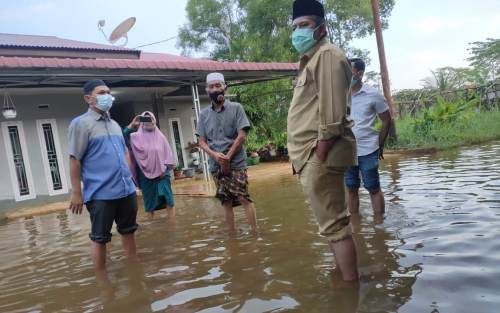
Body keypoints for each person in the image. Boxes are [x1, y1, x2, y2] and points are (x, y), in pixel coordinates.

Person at [287, 0, 358, 281]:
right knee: (330, 225)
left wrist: (320, 151)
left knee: (335, 225)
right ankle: (342, 277)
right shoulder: (311, 60)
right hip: (311, 155)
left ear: (321, 27)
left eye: (304, 25)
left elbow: (332, 114)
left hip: (321, 154)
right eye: (294, 27)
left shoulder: (327, 55)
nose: (298, 32)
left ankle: (349, 289)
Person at [68, 79, 138, 277]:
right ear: (88, 98)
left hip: (125, 190)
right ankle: (102, 280)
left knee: (129, 231)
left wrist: (131, 180)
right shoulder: (81, 124)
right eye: (101, 92)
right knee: (99, 237)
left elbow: (125, 153)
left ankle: (134, 272)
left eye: (108, 91)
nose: (107, 95)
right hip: (100, 194)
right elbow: (75, 159)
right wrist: (76, 193)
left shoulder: (115, 124)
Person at [196, 72, 258, 234]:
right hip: (215, 166)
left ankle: (255, 233)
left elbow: (242, 135)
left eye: (218, 85)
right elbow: (201, 141)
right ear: (207, 90)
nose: (215, 89)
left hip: (236, 163)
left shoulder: (236, 108)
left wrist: (228, 157)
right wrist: (215, 155)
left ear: (225, 87)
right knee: (225, 202)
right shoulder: (203, 115)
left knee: (244, 198)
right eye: (212, 86)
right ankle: (232, 236)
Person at [345, 58, 391, 217]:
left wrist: (380, 145)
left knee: (373, 187)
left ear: (359, 73)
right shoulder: (340, 95)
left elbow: (386, 120)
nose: (345, 75)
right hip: (346, 151)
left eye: (349, 71)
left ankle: (379, 225)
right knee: (351, 188)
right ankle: (355, 225)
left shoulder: (373, 94)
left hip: (368, 150)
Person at [124, 112, 176, 219]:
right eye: (146, 119)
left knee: (169, 200)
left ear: (154, 120)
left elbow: (168, 155)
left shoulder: (161, 137)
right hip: (145, 176)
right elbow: (122, 137)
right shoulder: (135, 137)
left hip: (162, 175)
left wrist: (164, 170)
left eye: (150, 119)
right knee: (149, 204)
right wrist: (132, 124)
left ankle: (172, 224)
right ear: (142, 122)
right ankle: (152, 226)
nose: (149, 121)